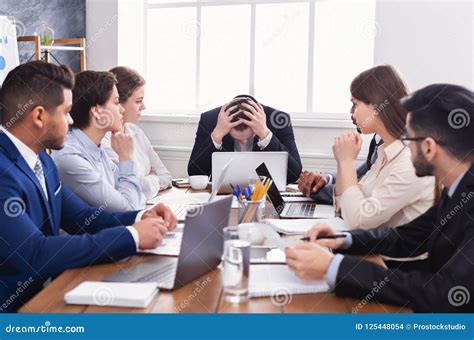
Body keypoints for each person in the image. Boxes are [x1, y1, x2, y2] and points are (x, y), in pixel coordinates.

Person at [0, 61, 177, 312]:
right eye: (66, 111)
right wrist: (133, 235)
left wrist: (140, 216)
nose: (72, 120)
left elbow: (83, 217)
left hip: (44, 295)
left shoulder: (43, 162)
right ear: (38, 116)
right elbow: (34, 253)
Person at [286, 84, 474, 312]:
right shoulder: (459, 188)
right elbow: (406, 238)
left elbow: (444, 294)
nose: (406, 147)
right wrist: (343, 239)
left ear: (428, 148)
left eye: (409, 139)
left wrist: (333, 266)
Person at [306, 65, 434, 230]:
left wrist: (346, 162)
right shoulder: (384, 152)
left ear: (376, 106)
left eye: (355, 105)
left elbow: (358, 221)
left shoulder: (409, 162)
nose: (352, 113)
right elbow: (344, 209)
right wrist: (342, 162)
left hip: (388, 255)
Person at [52, 70, 146, 212]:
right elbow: (129, 210)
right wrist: (126, 158)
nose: (121, 109)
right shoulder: (71, 159)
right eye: (116, 102)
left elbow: (138, 198)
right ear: (97, 111)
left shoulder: (96, 148)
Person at [187, 95, 303, 183]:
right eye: (237, 138)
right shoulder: (210, 120)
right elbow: (195, 172)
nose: (243, 142)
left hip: (266, 197)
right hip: (224, 197)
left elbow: (294, 174)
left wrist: (265, 135)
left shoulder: (279, 120)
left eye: (248, 137)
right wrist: (217, 135)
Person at [102, 66, 172, 200]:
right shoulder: (103, 142)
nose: (143, 106)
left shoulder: (136, 131)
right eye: (138, 101)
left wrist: (148, 181)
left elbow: (166, 176)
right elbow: (137, 188)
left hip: (148, 204)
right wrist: (154, 179)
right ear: (119, 102)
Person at [298, 115, 381, 205]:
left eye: (355, 104)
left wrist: (313, 188)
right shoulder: (377, 139)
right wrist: (327, 178)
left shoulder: (391, 145)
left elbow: (360, 193)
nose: (352, 115)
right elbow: (357, 176)